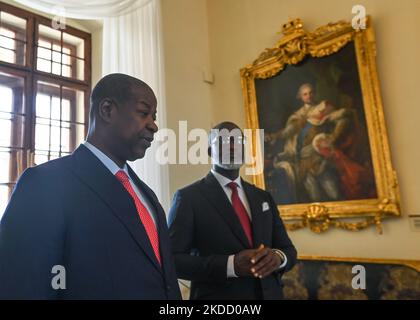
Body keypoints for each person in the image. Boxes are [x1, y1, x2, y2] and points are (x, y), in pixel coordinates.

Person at [0, 73, 181, 299]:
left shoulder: (146, 195)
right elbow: (21, 286)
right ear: (107, 110)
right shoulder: (44, 184)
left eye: (154, 117)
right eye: (144, 113)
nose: (154, 126)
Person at [168, 121, 297, 300]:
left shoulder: (263, 197)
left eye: (237, 141)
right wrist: (230, 265)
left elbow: (288, 250)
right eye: (223, 141)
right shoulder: (188, 198)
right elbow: (172, 261)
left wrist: (278, 257)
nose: (231, 146)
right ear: (209, 151)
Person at [266, 83, 359, 203]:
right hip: (304, 162)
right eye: (305, 94)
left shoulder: (323, 109)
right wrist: (274, 136)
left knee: (334, 193)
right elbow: (288, 132)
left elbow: (343, 119)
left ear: (314, 93)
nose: (308, 96)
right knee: (314, 198)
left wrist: (333, 138)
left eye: (310, 93)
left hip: (320, 157)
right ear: (300, 96)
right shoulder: (297, 116)